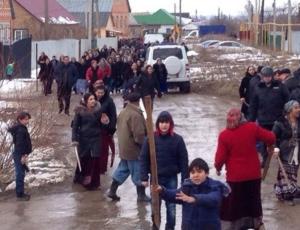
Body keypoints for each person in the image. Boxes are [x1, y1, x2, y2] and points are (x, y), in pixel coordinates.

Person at [214, 108, 276, 230]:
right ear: (242, 117)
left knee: (233, 206)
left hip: (235, 178)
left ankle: (234, 227)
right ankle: (256, 224)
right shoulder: (252, 128)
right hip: (253, 175)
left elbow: (220, 157)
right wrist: (270, 145)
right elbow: (271, 137)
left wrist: (218, 167)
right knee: (253, 202)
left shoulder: (224, 135)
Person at [140, 111, 189, 230]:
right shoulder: (150, 139)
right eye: (161, 122)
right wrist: (144, 177)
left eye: (166, 122)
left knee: (171, 207)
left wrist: (185, 180)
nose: (164, 125)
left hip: (171, 178)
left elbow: (184, 161)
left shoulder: (178, 140)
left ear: (170, 124)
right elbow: (143, 158)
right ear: (158, 124)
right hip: (156, 178)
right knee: (155, 206)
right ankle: (155, 227)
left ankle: (170, 228)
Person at [154, 158, 230, 230]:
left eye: (199, 171)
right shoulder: (187, 186)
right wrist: (162, 191)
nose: (196, 175)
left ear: (207, 173)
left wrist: (195, 199)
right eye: (192, 172)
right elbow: (175, 195)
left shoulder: (214, 186)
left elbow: (214, 199)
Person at [107, 91, 150, 202]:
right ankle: (141, 195)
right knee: (139, 171)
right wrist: (146, 146)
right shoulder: (136, 115)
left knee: (122, 169)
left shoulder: (124, 112)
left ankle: (112, 190)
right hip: (134, 150)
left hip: (124, 148)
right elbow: (139, 135)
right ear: (138, 101)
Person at [248, 66, 290, 167]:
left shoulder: (280, 86)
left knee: (278, 141)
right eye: (265, 77)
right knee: (264, 142)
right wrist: (251, 120)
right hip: (263, 120)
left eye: (269, 76)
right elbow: (253, 105)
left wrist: (286, 115)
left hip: (278, 120)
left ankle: (281, 161)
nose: (267, 78)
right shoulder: (258, 87)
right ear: (262, 77)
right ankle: (266, 161)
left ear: (272, 76)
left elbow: (287, 100)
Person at [72, 93, 109, 190]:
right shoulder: (80, 112)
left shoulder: (99, 111)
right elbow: (75, 126)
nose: (93, 101)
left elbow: (103, 126)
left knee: (95, 160)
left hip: (96, 138)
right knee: (84, 159)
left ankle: (94, 183)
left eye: (94, 99)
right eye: (90, 99)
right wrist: (74, 139)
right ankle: (81, 178)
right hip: (84, 139)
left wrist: (105, 122)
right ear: (86, 101)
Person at [272, 100, 300, 205]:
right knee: (285, 174)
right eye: (296, 108)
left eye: (299, 107)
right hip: (285, 152)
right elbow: (272, 137)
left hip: (297, 152)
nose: (298, 110)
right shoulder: (280, 123)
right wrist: (275, 148)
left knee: (293, 174)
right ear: (289, 110)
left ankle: (292, 192)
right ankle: (286, 195)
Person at [8, 112, 32, 201]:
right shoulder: (20, 130)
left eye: (28, 119)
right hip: (19, 154)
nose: (27, 121)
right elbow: (19, 144)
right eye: (25, 119)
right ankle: (20, 194)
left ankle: (21, 192)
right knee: (20, 174)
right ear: (20, 119)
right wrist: (23, 156)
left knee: (21, 173)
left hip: (20, 154)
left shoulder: (20, 128)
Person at [94, 86, 117, 175]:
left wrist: (111, 129)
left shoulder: (109, 101)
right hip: (93, 129)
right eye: (98, 92)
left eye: (102, 93)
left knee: (104, 150)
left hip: (105, 130)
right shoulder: (92, 100)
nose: (100, 94)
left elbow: (113, 116)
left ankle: (102, 169)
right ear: (95, 92)